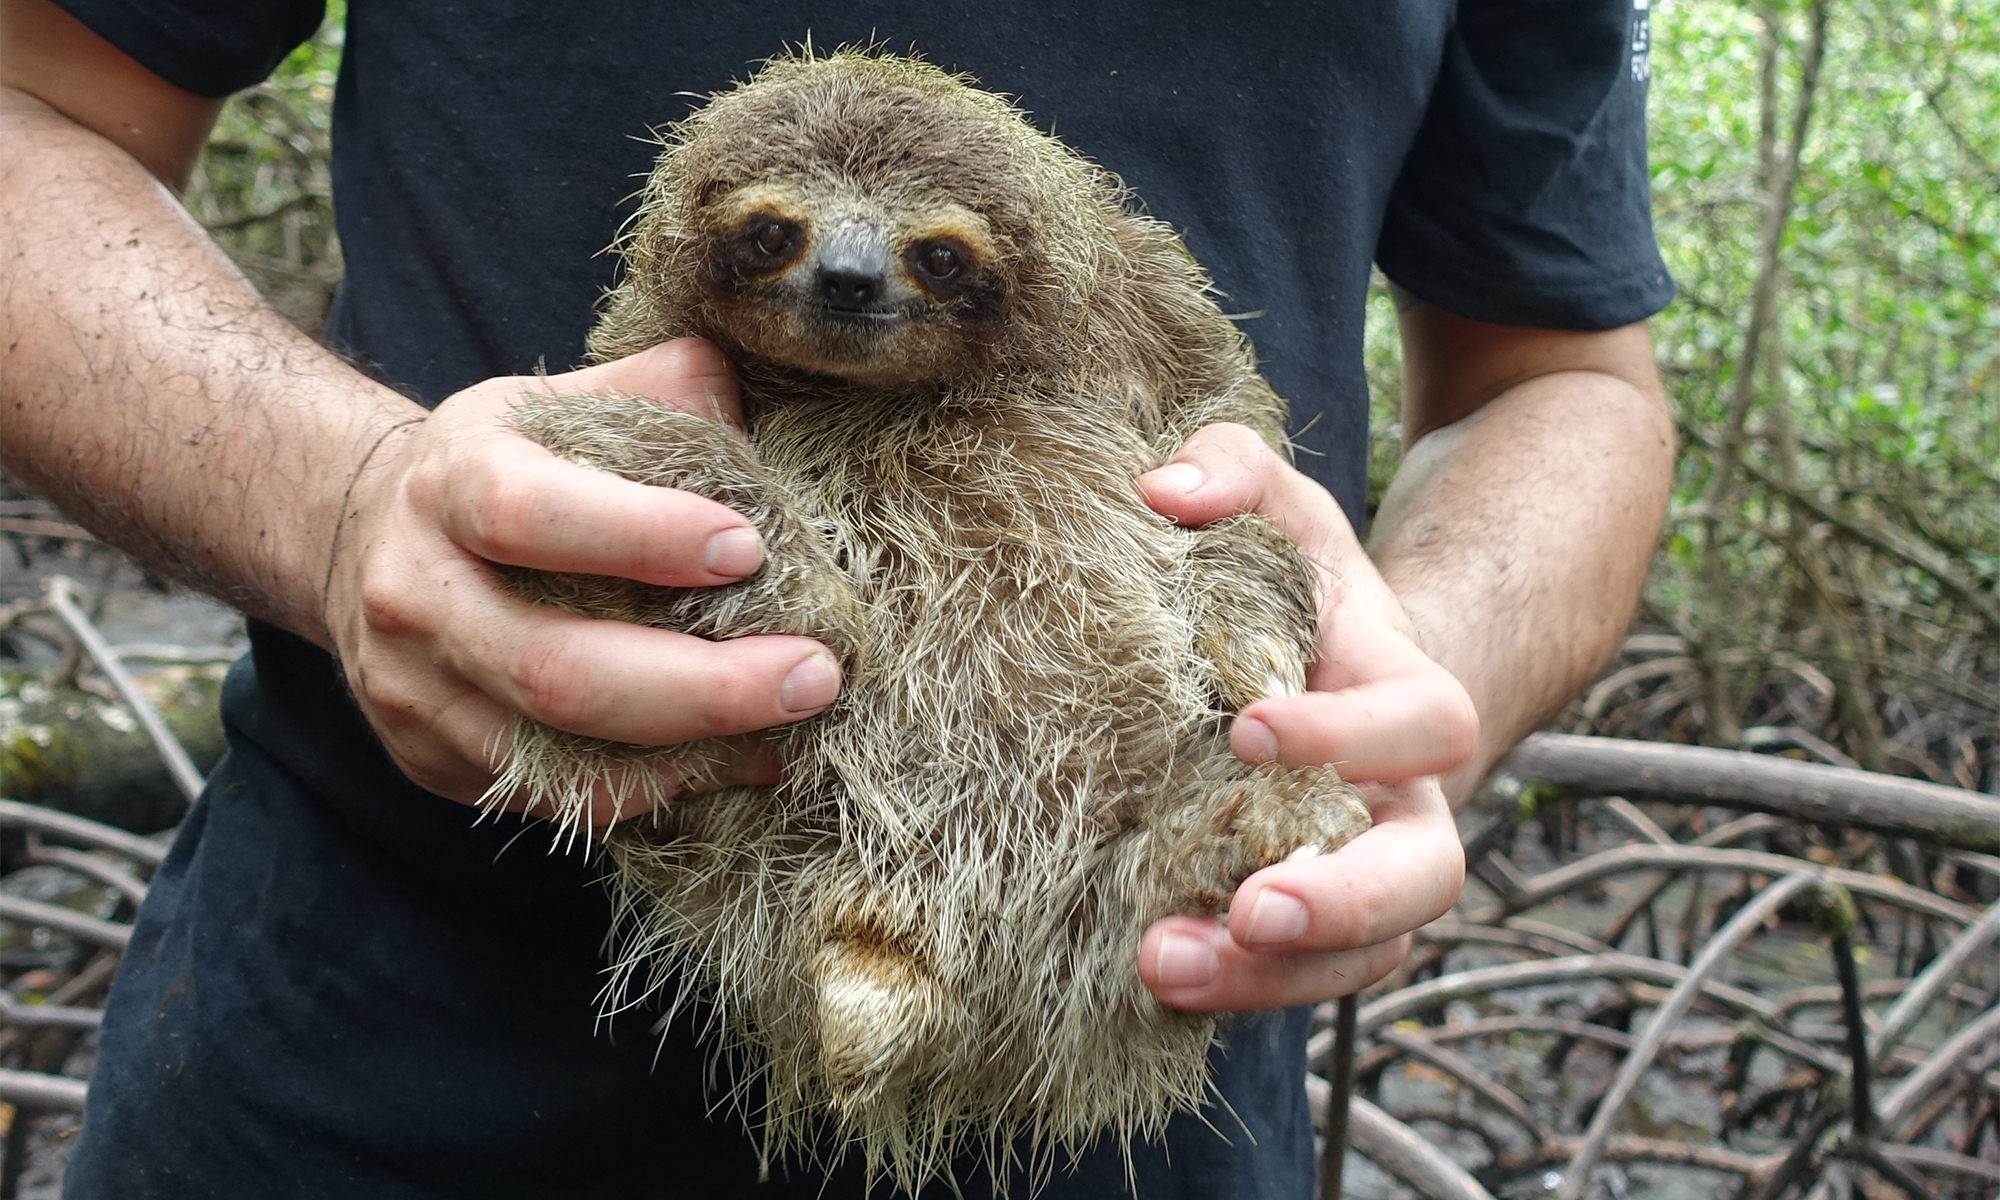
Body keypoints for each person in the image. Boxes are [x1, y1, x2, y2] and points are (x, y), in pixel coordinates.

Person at [0, 0, 1676, 1195]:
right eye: (778, 243)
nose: (852, 282)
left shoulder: (1127, 311)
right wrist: (337, 498)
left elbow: (1565, 376)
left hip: (1142, 1018)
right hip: (369, 1041)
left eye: (927, 260)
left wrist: (1374, 693)